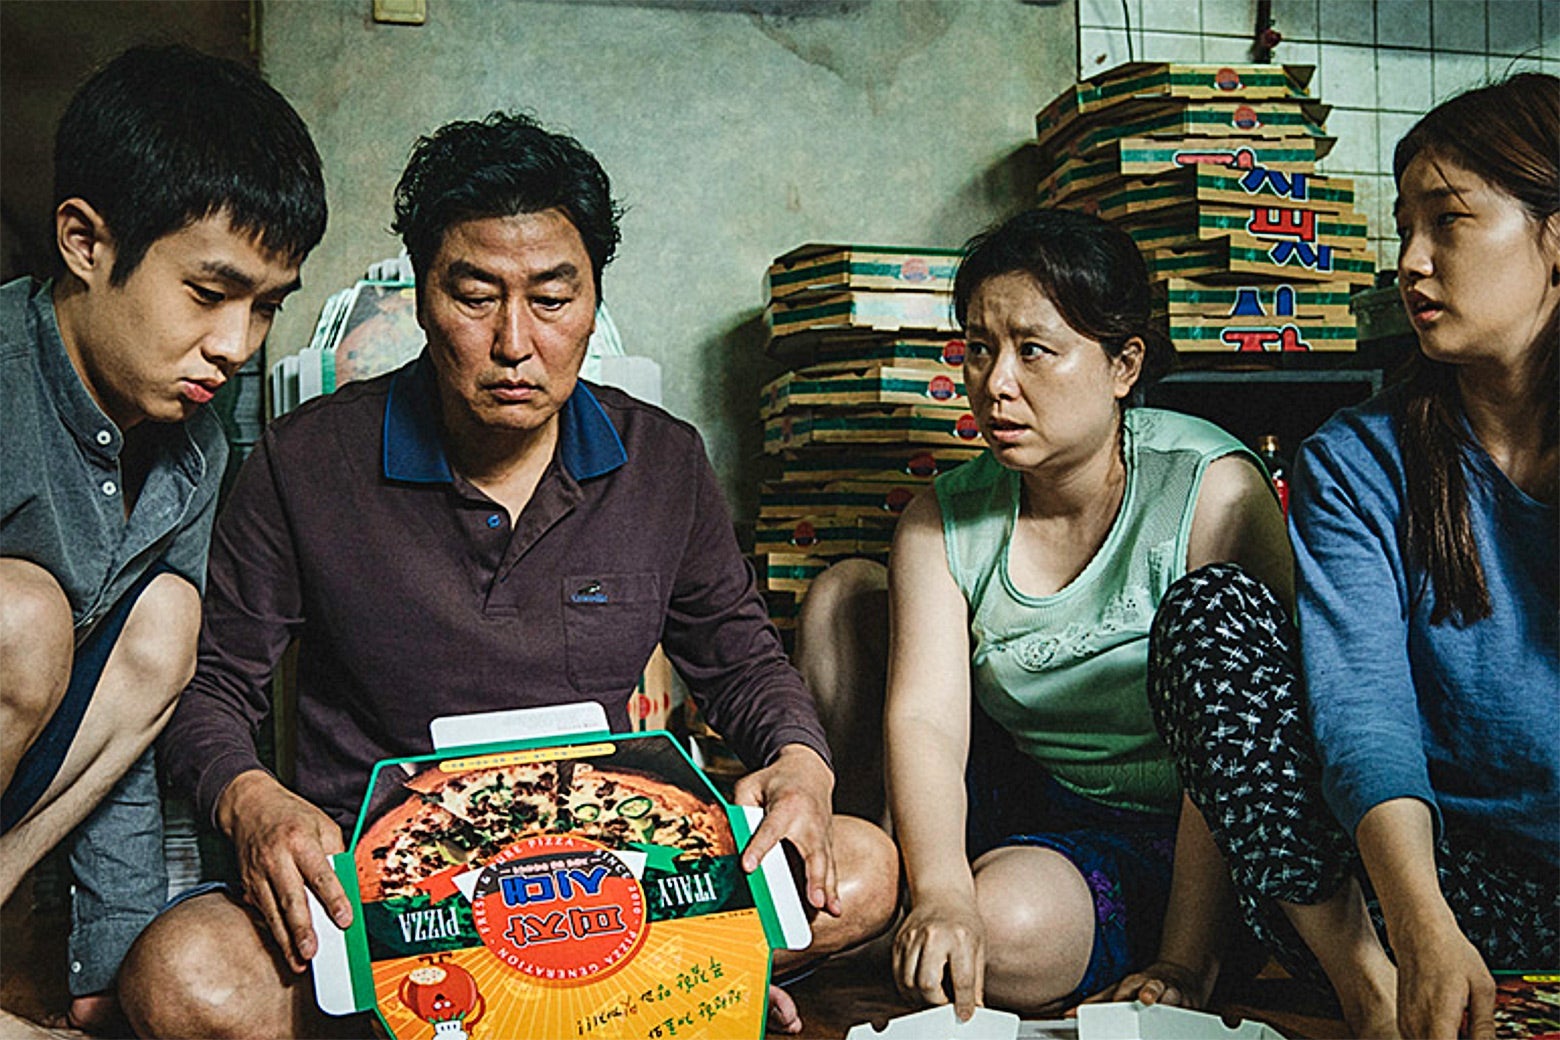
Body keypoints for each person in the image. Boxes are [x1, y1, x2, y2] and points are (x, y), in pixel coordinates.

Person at [117, 110, 898, 1038]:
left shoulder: (663, 462)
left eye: (553, 299)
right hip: (391, 893)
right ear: (421, 298)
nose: (515, 341)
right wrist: (252, 802)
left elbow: (739, 659)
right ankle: (634, 1000)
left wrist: (801, 763)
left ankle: (616, 986)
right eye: (476, 296)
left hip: (612, 877)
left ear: (595, 300)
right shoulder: (306, 460)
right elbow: (213, 689)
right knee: (184, 979)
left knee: (864, 867)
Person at [800, 207, 1293, 1020]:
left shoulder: (1210, 492)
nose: (996, 383)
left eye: (1034, 351)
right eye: (979, 348)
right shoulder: (944, 517)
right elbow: (926, 722)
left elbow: (1254, 741)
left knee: (999, 935)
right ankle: (880, 888)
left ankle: (945, 915)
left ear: (1123, 364)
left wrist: (1185, 961)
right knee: (844, 596)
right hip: (1018, 788)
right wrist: (943, 891)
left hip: (1178, 833)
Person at [1151, 73, 1559, 1040]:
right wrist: (1422, 933)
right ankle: (1371, 994)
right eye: (1402, 225)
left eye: (1449, 222)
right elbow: (1362, 710)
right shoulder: (1357, 459)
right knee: (1214, 614)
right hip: (1421, 891)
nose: (1410, 262)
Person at [0, 44, 325, 1037]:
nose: (238, 344)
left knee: (169, 622)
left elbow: (133, 722)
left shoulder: (194, 447)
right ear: (86, 243)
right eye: (209, 292)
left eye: (267, 304)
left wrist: (114, 961)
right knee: (19, 614)